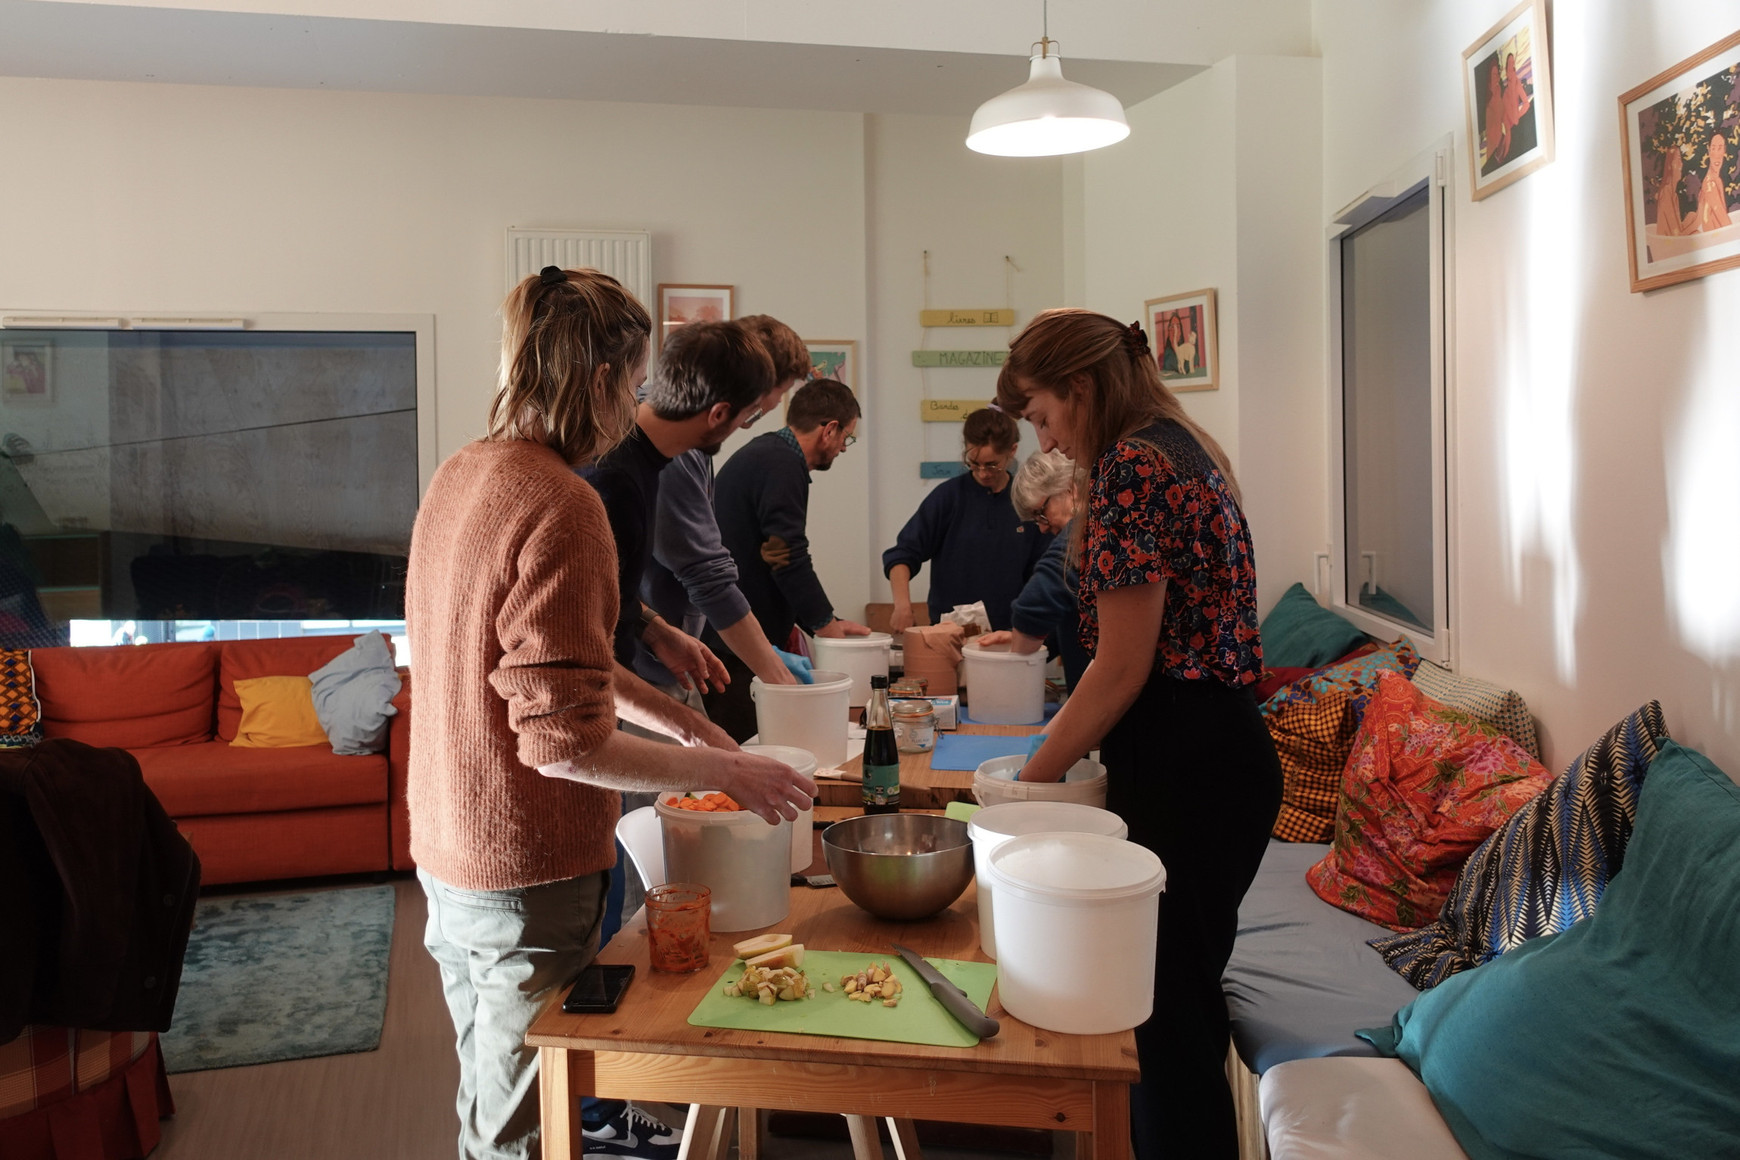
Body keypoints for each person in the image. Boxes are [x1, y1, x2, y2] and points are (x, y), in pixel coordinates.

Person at [406, 266, 813, 1160]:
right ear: (600, 381)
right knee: (521, 1128)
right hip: (521, 864)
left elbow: (545, 665)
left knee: (489, 1097)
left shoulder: (463, 473)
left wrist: (680, 722)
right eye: (632, 387)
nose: (634, 407)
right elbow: (560, 741)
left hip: (447, 845)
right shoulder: (566, 502)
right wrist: (725, 768)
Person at [996, 308, 1282, 1159]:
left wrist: (1024, 786)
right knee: (1175, 1005)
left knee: (1164, 1020)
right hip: (1218, 756)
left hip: (1189, 765)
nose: (1046, 440)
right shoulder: (1184, 448)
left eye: (1044, 415)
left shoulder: (1131, 468)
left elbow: (1121, 669)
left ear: (1081, 389)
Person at [637, 315, 813, 696]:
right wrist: (776, 675)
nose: (774, 404)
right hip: (644, 667)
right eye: (776, 391)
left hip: (665, 654)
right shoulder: (672, 454)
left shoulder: (680, 438)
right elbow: (707, 575)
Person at [707, 377, 871, 741]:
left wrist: (825, 624)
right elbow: (785, 554)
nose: (844, 448)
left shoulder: (771, 456)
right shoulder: (781, 463)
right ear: (830, 429)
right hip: (734, 644)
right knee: (744, 753)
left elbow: (775, 555)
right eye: (847, 437)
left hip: (734, 635)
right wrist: (825, 624)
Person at [884, 407, 1052, 634]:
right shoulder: (948, 498)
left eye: (992, 464)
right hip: (950, 634)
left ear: (1012, 451)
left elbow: (1044, 571)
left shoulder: (1028, 501)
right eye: (973, 463)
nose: (982, 473)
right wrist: (902, 606)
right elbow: (903, 555)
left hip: (1009, 636)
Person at [975, 449, 1088, 688]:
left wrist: (1020, 649)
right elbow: (1078, 619)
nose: (1043, 529)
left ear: (1070, 489)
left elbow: (1032, 608)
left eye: (1040, 514)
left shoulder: (1088, 530)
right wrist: (1036, 639)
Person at [1695, 132, 1733, 233]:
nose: (1716, 154)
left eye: (1720, 148)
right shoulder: (1709, 184)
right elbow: (1725, 222)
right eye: (1713, 148)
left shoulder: (1718, 181)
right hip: (1713, 243)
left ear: (1724, 150)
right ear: (1708, 150)